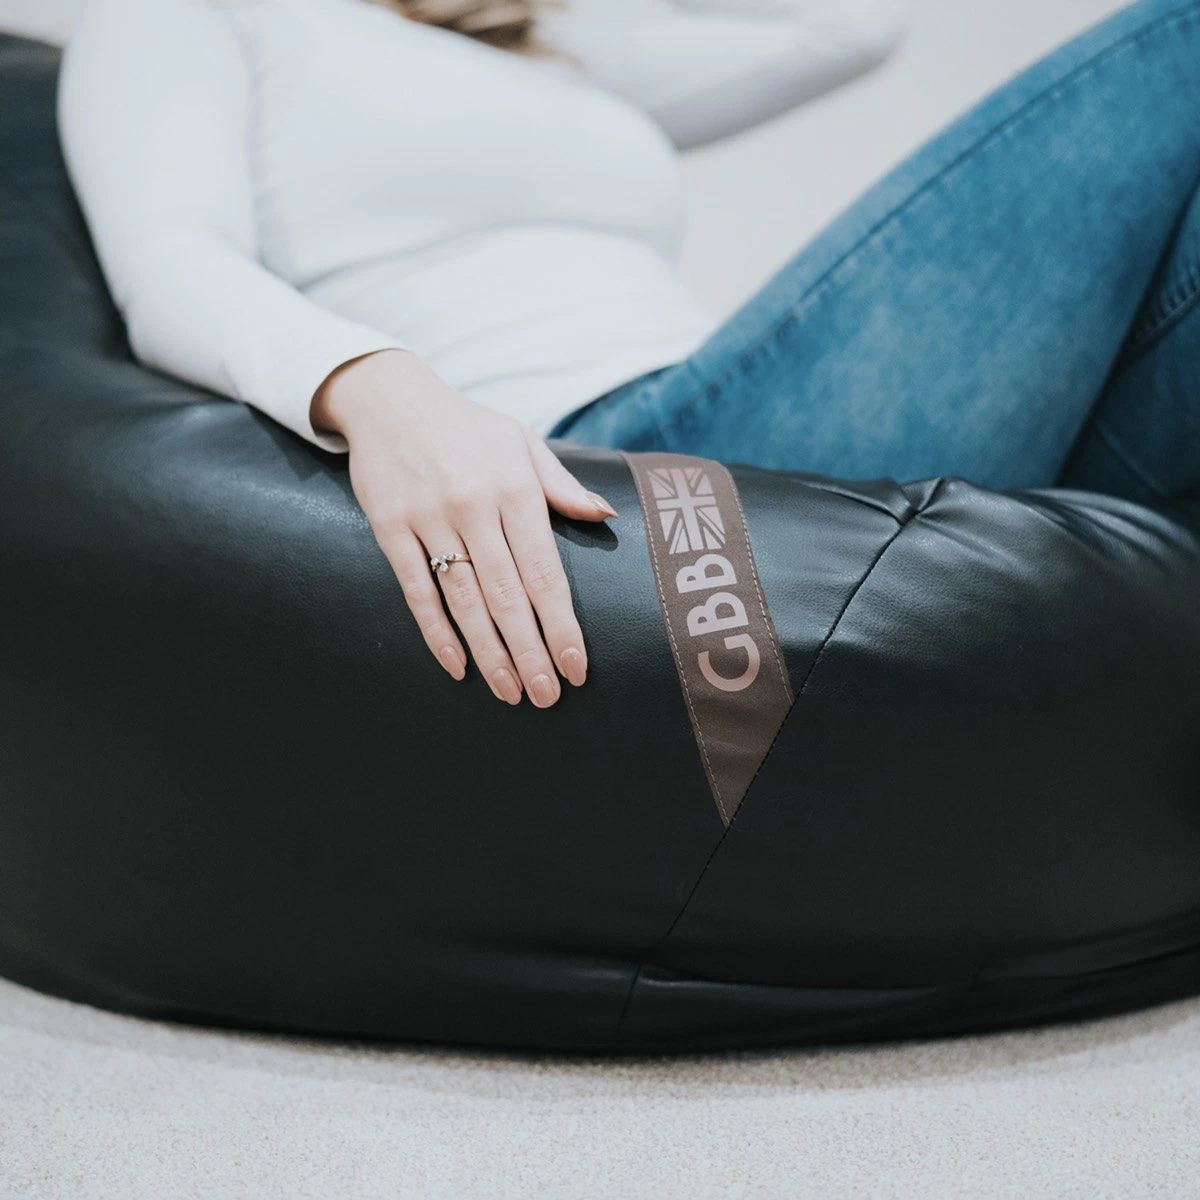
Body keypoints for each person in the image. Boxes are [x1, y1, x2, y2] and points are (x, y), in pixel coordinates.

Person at [57, 0, 1200, 714]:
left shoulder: (561, 52)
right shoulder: (202, 15)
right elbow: (172, 260)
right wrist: (383, 390)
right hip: (624, 464)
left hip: (717, 404)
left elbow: (850, 23)